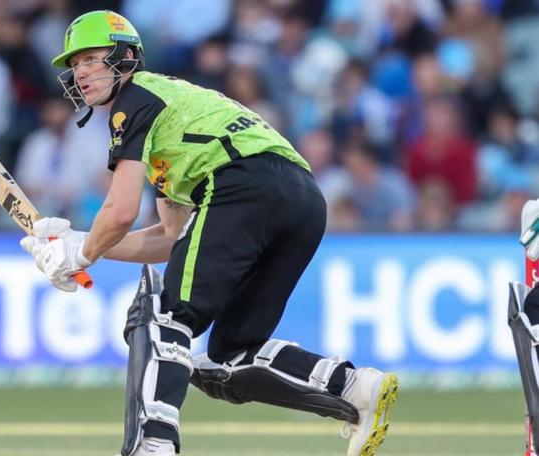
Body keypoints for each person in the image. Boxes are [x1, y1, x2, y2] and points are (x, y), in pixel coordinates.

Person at [20, 10, 398, 456]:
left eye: (90, 57)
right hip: (302, 200)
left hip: (241, 184)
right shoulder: (171, 106)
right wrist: (80, 243)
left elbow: (120, 211)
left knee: (163, 314)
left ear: (124, 55)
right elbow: (171, 237)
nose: (79, 71)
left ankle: (153, 445)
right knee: (231, 357)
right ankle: (352, 386)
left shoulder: (135, 98)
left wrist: (79, 253)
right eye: (74, 63)